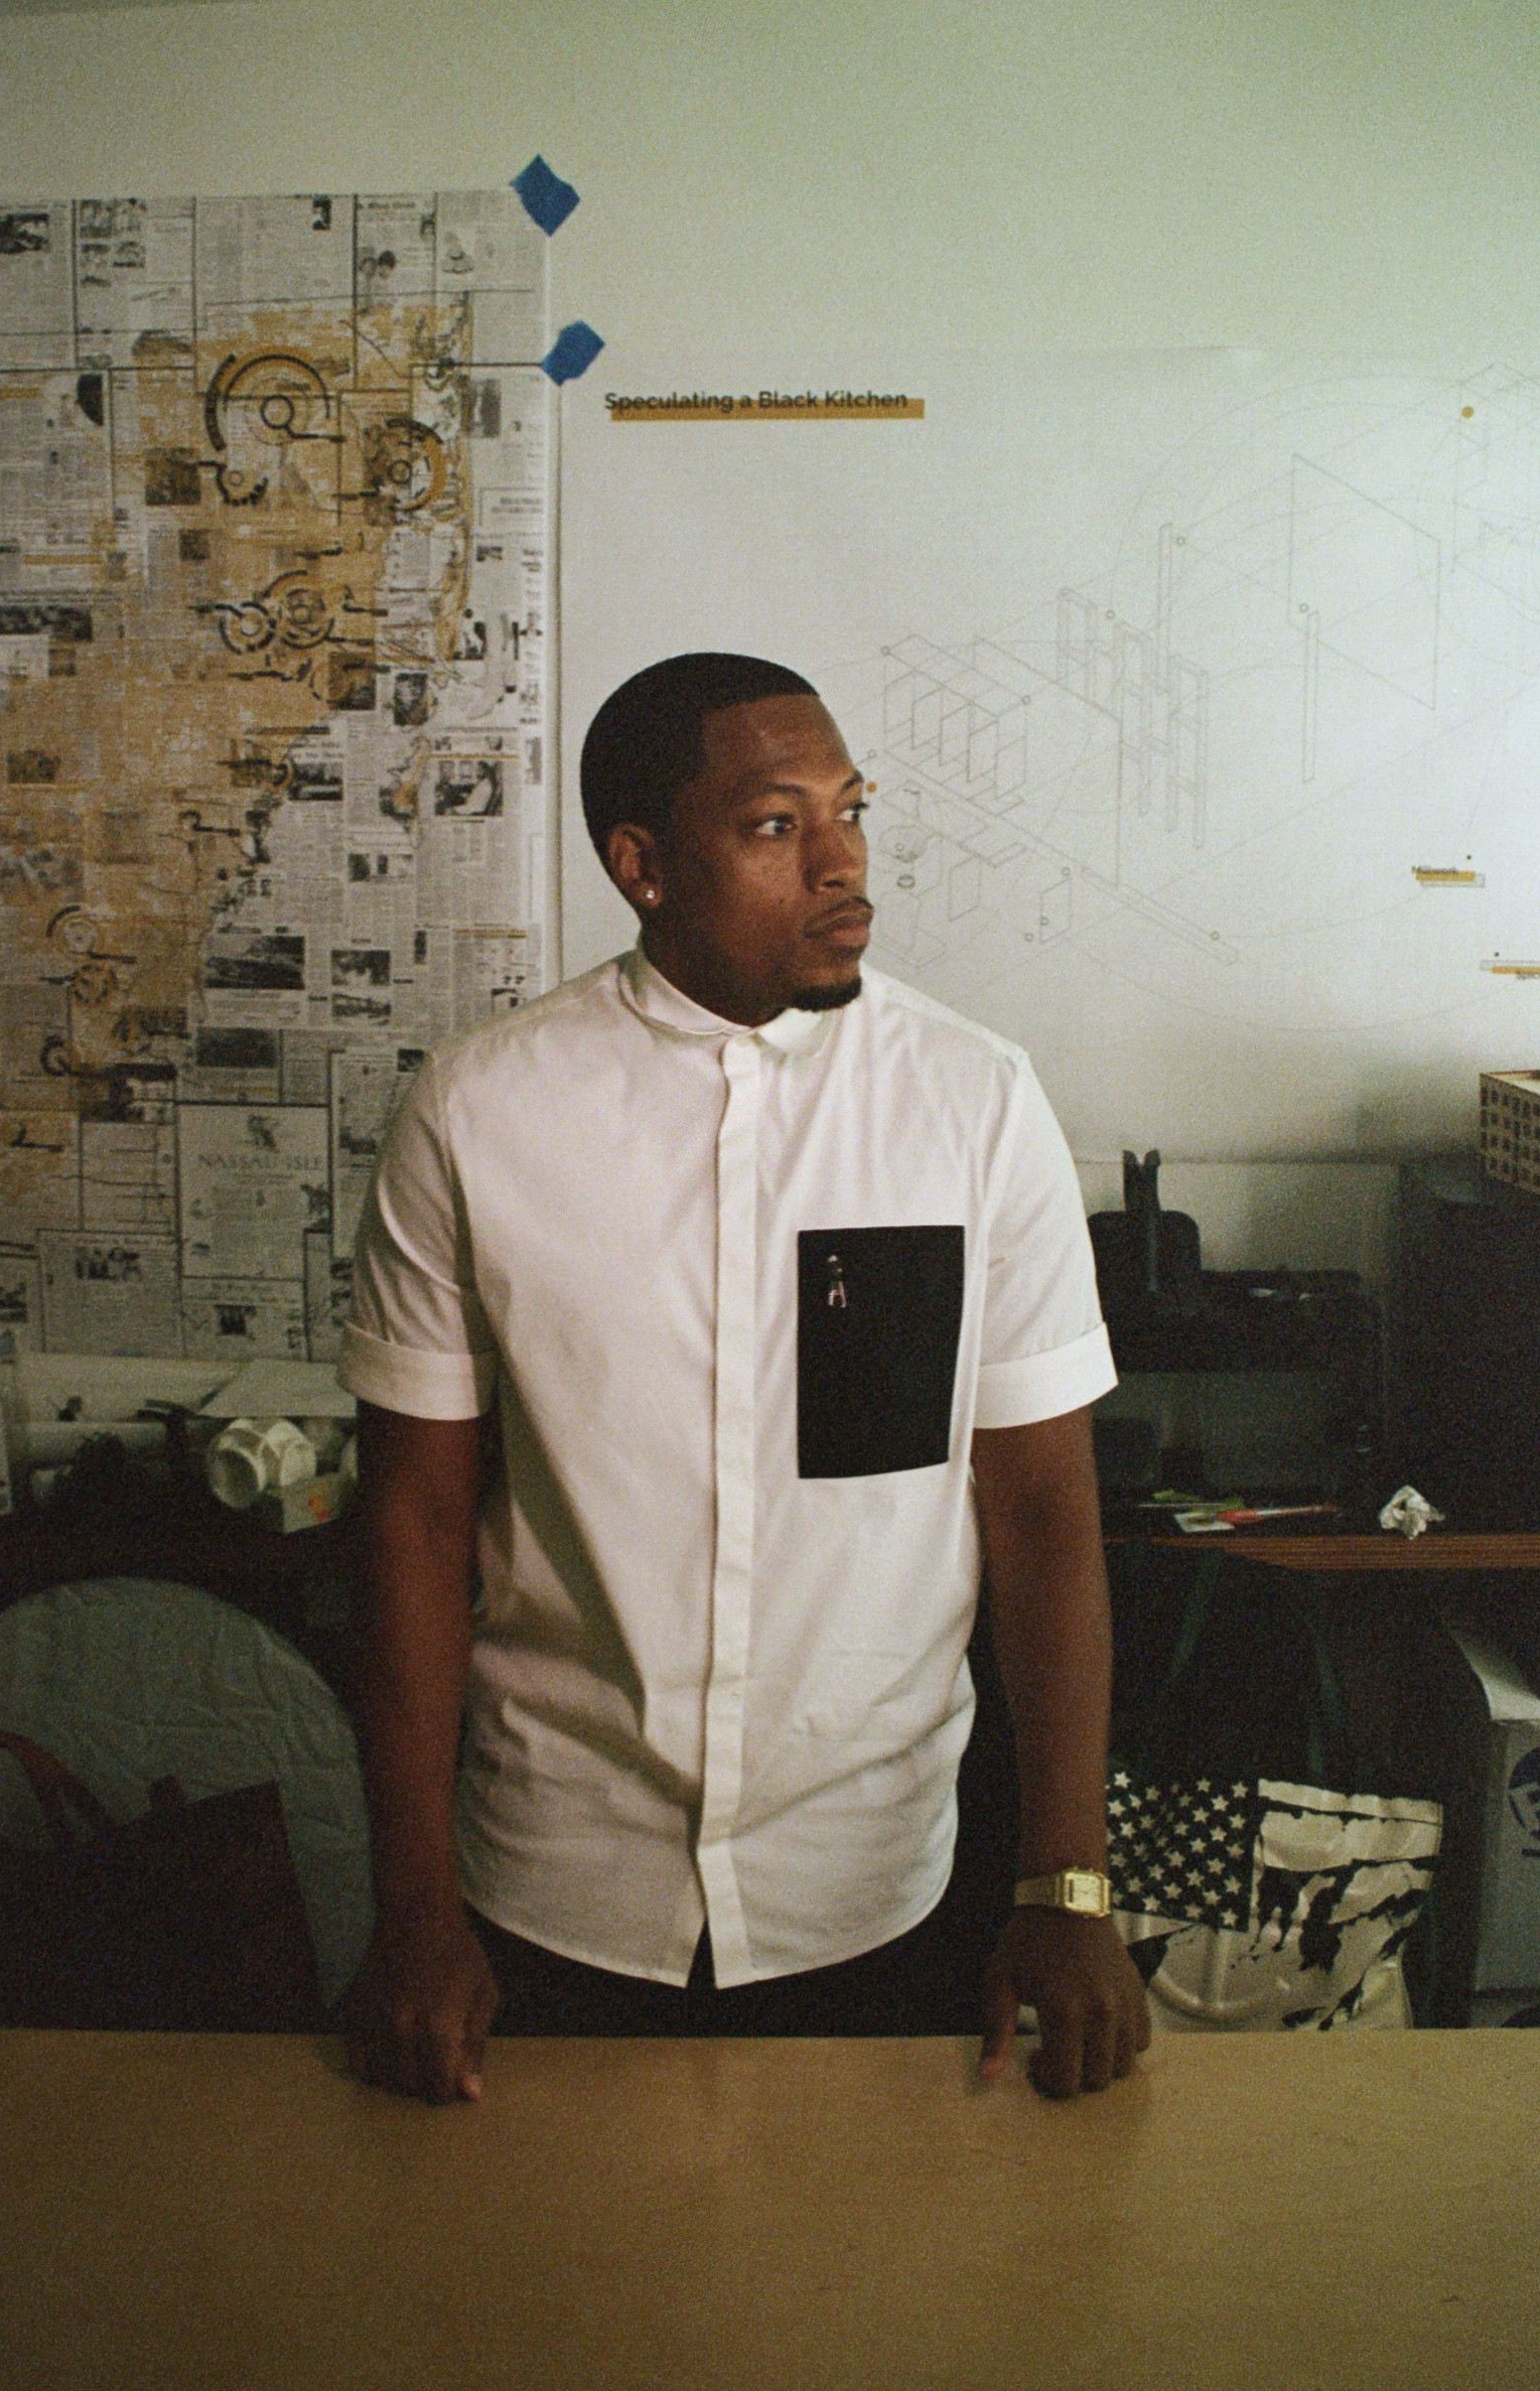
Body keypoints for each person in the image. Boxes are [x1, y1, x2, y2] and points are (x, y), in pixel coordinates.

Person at [339, 651, 1151, 2104]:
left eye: (850, 812)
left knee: (870, 2311)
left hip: (883, 1882)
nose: (844, 864)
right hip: (552, 1883)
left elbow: (1038, 1517)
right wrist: (411, 1908)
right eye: (777, 827)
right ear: (640, 865)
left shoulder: (972, 1102)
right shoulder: (481, 1113)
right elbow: (409, 1526)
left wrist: (1067, 1887)